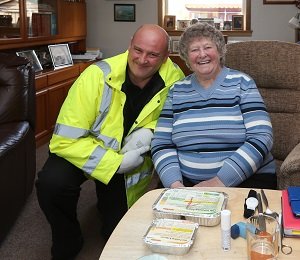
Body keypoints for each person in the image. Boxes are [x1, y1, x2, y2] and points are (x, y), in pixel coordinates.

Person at [35, 24, 185, 260]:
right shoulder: (96, 75)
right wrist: (113, 163)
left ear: (165, 57)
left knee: (116, 234)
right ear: (129, 45)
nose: (143, 59)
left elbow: (176, 120)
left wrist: (150, 130)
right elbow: (63, 140)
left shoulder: (175, 78)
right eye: (138, 50)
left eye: (153, 54)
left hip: (131, 158)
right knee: (51, 184)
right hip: (85, 150)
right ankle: (68, 237)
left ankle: (107, 207)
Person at [151, 22, 277, 190]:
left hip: (246, 181)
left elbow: (262, 137)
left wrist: (218, 182)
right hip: (186, 185)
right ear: (186, 57)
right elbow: (161, 142)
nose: (202, 54)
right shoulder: (177, 91)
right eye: (194, 50)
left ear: (219, 50)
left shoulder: (242, 83)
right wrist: (174, 184)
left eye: (207, 47)